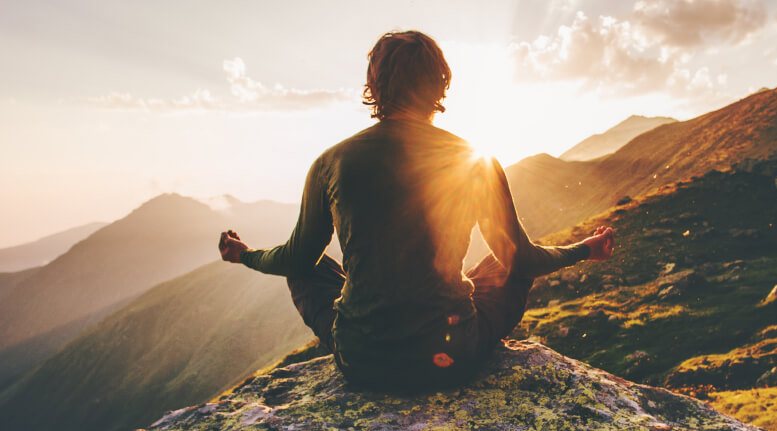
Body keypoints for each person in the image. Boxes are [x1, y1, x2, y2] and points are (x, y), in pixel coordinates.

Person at [218, 30, 614, 392]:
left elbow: (294, 258)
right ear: (440, 83)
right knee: (504, 263)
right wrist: (584, 249)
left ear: (374, 86)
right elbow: (523, 260)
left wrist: (245, 255)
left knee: (309, 266)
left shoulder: (331, 162)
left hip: (362, 363)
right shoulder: (475, 160)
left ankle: (367, 331)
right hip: (450, 359)